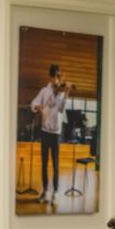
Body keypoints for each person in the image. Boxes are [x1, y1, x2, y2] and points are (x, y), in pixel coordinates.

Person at [30, 63, 72, 204]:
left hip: (55, 134)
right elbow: (33, 103)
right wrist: (37, 106)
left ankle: (56, 192)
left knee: (55, 165)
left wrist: (66, 93)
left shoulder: (61, 93)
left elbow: (60, 110)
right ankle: (45, 191)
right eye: (54, 77)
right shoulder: (44, 91)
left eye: (58, 77)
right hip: (45, 131)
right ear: (51, 77)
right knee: (44, 163)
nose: (56, 80)